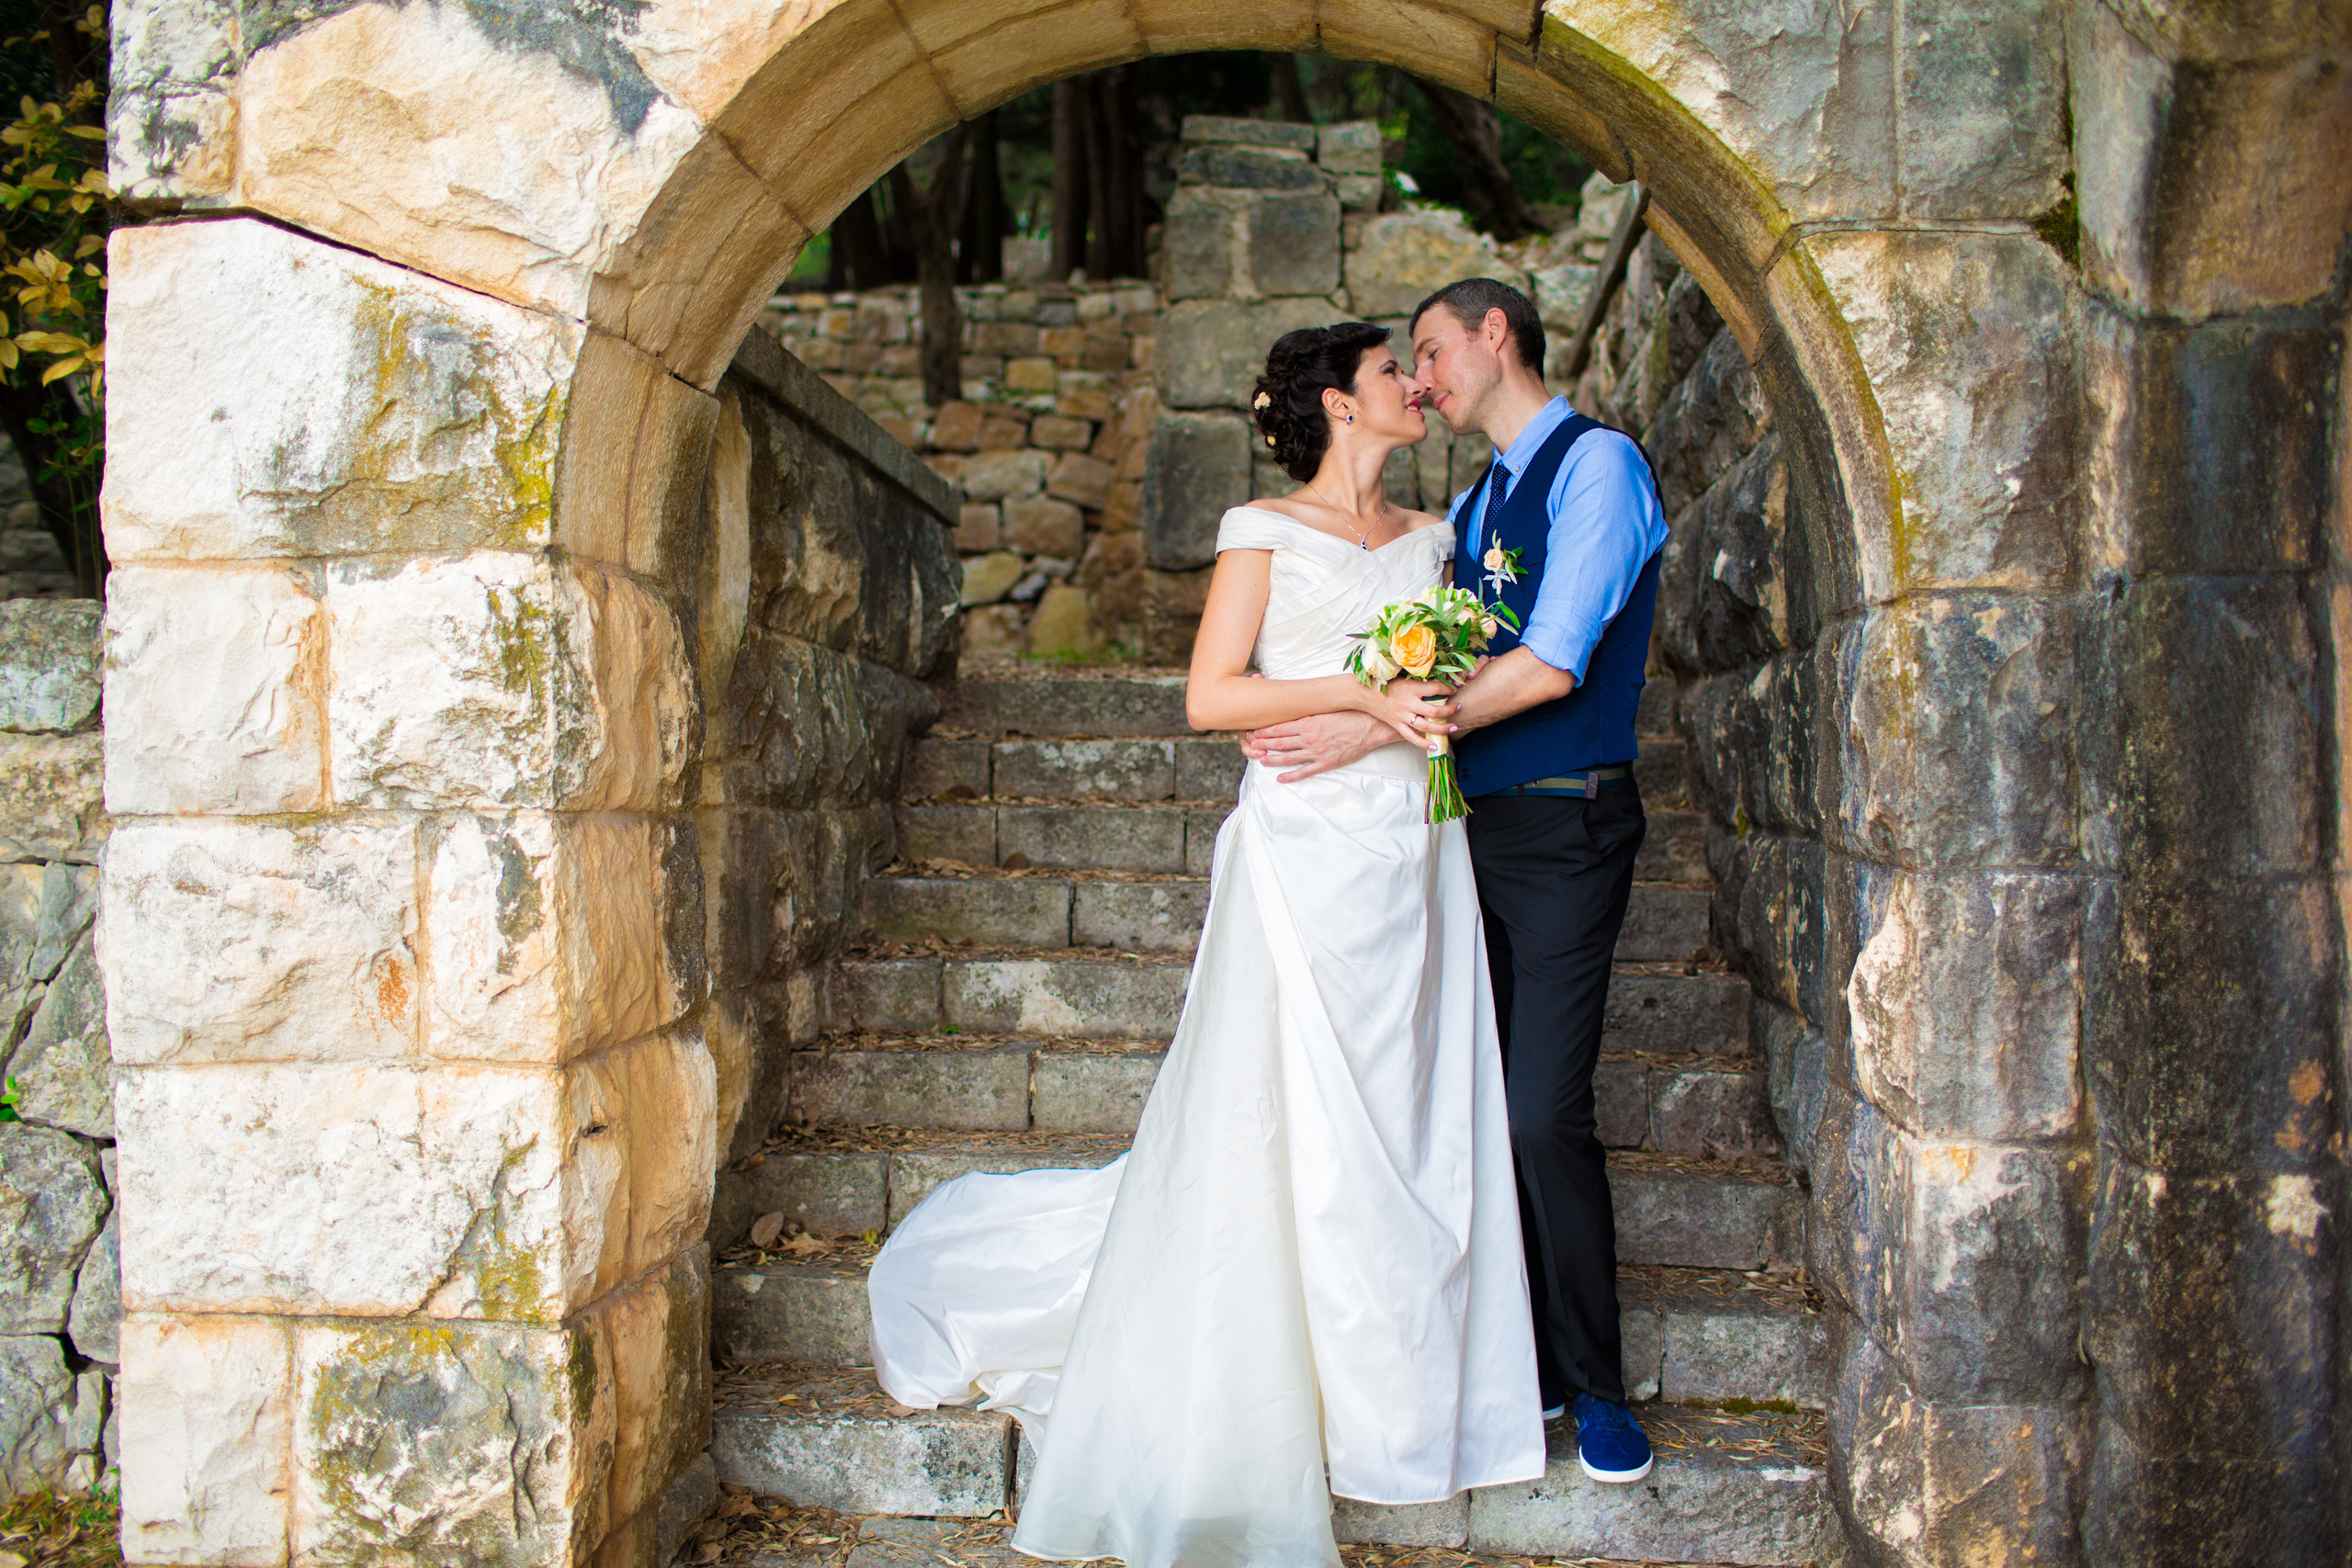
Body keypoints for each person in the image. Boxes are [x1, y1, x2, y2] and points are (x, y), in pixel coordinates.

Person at [867, 321, 1544, 1568]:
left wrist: (1411, 713)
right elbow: (1211, 697)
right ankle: (1278, 1381)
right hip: (1299, 851)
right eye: (1396, 372)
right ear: (1341, 405)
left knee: (1407, 1105)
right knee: (1289, 1119)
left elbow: (1442, 688)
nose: (1417, 387)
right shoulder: (1261, 532)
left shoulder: (1438, 540)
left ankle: (1399, 1398)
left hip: (1413, 840)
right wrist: (1357, 694)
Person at [1242, 278, 1667, 1486]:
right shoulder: (1472, 501)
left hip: (1569, 829)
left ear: (1496, 336)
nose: (1422, 378)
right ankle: (1516, 1363)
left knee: (1542, 1110)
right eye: (1406, 364)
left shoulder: (1599, 468)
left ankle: (1594, 1386)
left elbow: (1555, 658)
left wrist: (1373, 731)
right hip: (1460, 839)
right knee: (1475, 1109)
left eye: (1431, 351)